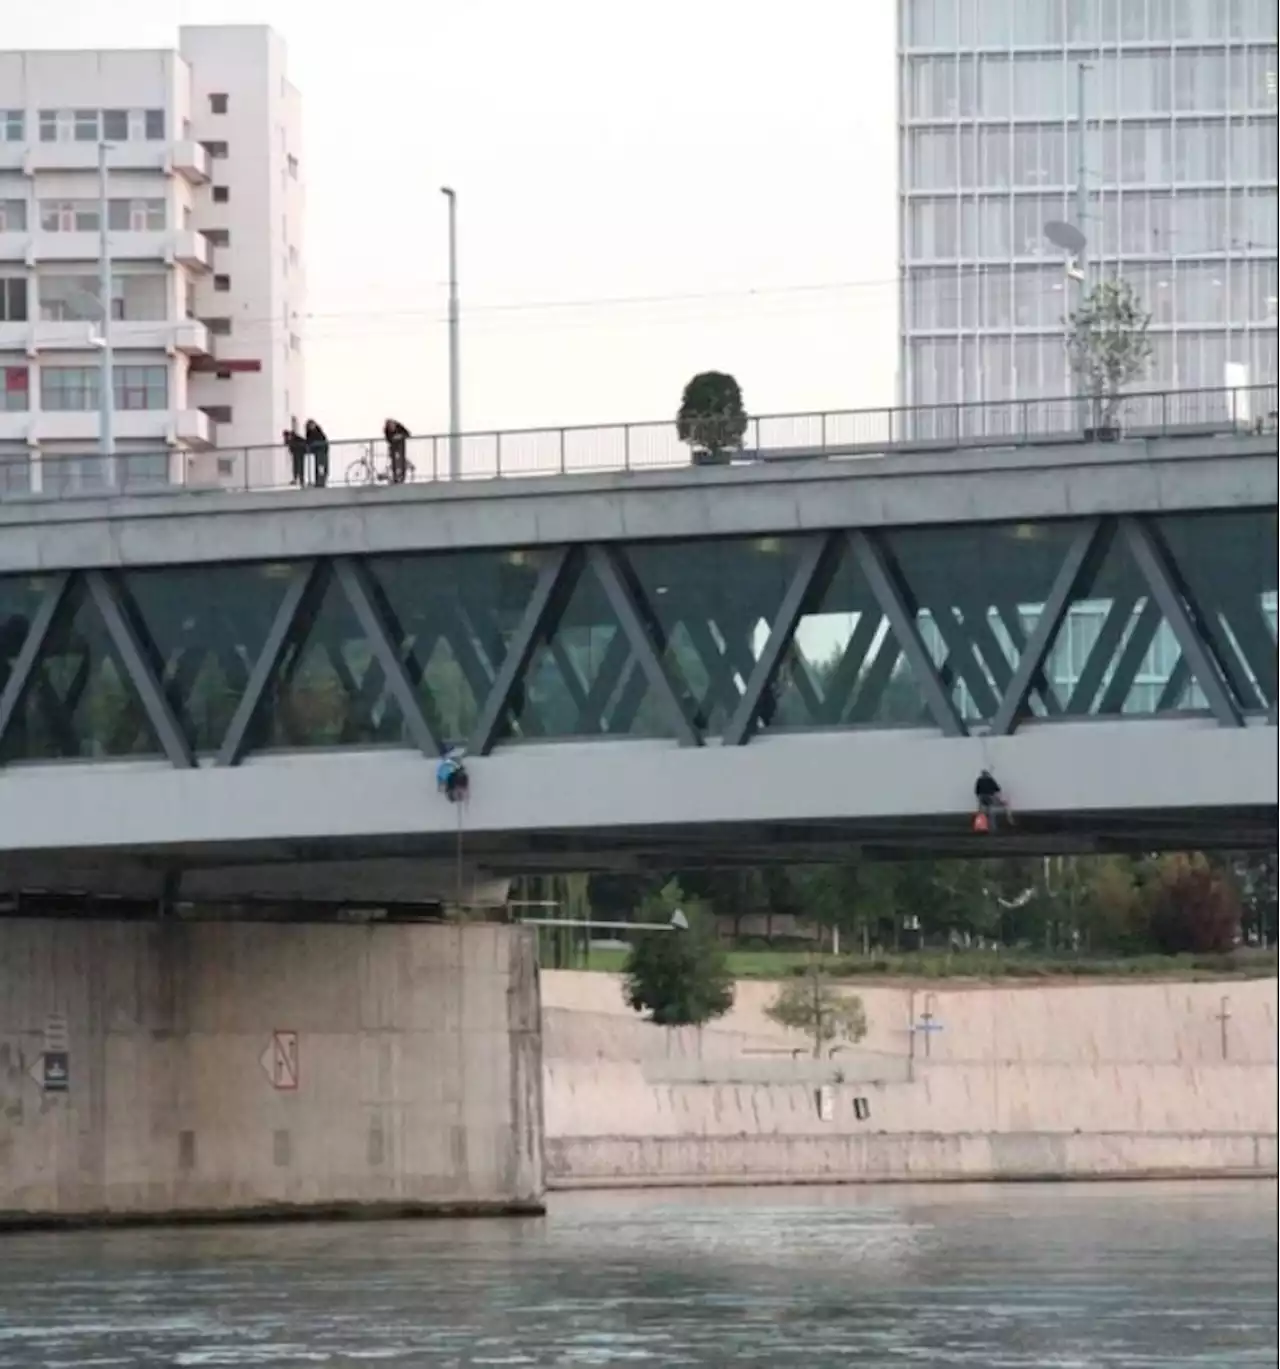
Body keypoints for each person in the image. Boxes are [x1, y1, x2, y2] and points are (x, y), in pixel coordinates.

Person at [384, 418, 410, 485]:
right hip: (393, 446)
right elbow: (388, 439)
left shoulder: (399, 426)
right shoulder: (386, 429)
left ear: (394, 425)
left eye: (392, 426)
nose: (391, 428)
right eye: (390, 427)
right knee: (394, 461)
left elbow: (408, 434)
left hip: (401, 445)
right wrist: (393, 438)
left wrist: (400, 436)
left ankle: (402, 477)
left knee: (401, 460)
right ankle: (395, 477)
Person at [304, 419, 329, 488]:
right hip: (318, 452)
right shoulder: (312, 432)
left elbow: (321, 441)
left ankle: (321, 481)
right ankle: (319, 481)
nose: (311, 426)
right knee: (319, 467)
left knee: (321, 467)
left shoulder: (318, 432)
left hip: (321, 452)